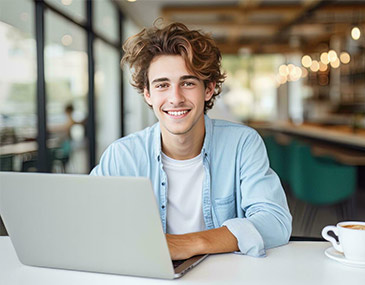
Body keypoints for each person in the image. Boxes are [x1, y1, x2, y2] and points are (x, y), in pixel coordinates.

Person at [90, 22, 292, 260]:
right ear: (148, 94)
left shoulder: (242, 144)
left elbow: (275, 222)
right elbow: (91, 222)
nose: (175, 98)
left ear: (208, 89)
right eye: (162, 85)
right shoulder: (122, 155)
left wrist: (190, 243)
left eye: (187, 83)